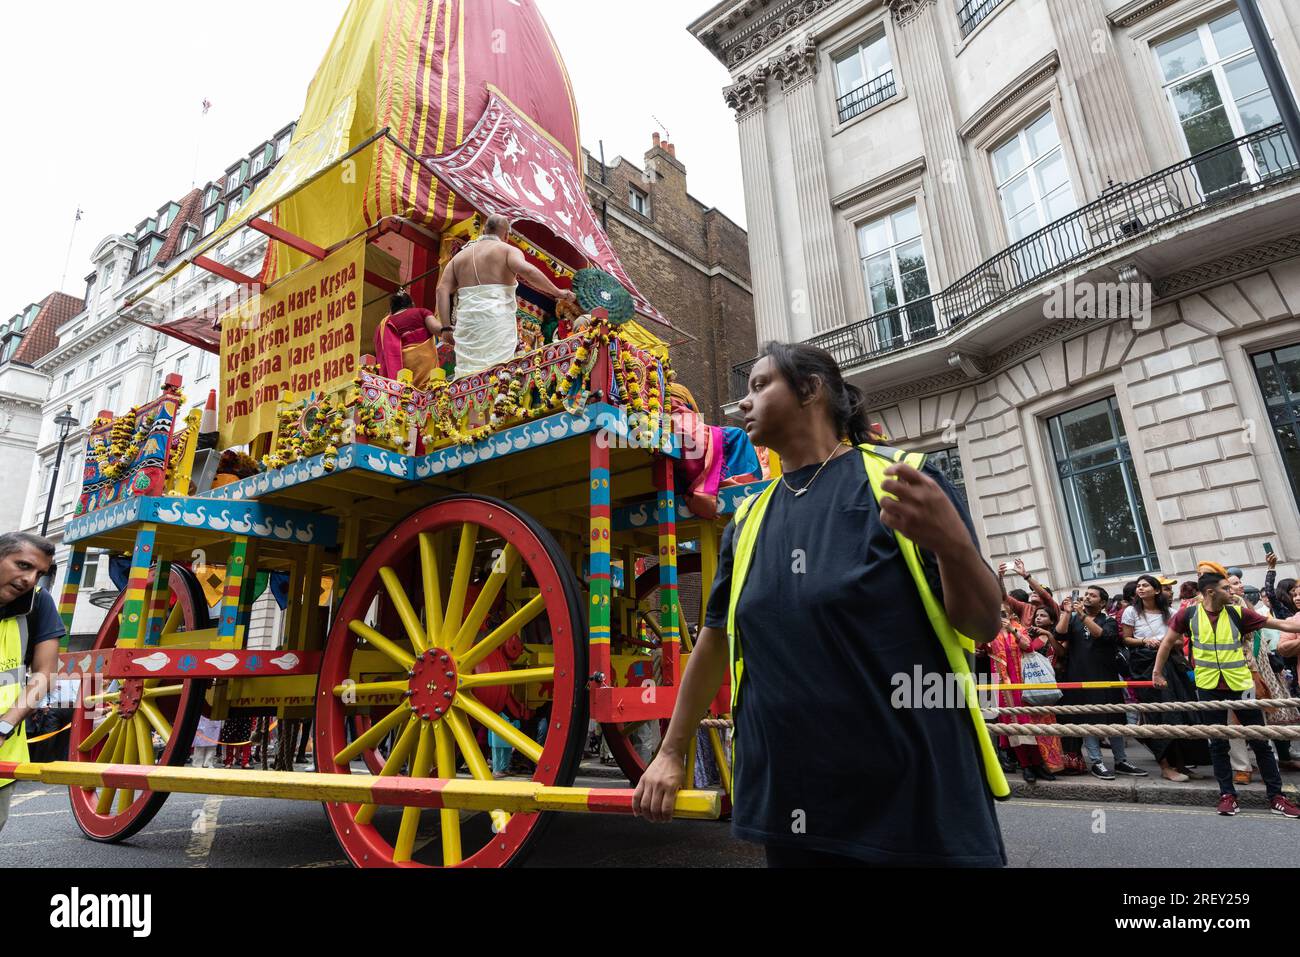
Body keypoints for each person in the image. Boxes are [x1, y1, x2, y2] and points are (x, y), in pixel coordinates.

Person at [632, 342, 1008, 867]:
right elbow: (713, 643)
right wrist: (671, 752)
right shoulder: (748, 519)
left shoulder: (898, 480)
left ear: (812, 389)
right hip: (791, 808)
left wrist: (954, 547)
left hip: (913, 804)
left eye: (760, 385)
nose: (744, 403)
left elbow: (982, 624)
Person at [1151, 563, 1300, 817]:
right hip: (1208, 687)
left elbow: (1281, 625)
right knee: (1218, 744)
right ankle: (1227, 795)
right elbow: (1166, 643)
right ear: (1210, 592)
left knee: (1261, 742)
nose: (1231, 591)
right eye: (1225, 588)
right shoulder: (1188, 615)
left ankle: (1276, 797)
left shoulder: (1238, 613)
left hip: (1242, 685)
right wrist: (1157, 671)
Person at [435, 214, 577, 380]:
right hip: (496, 324)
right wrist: (558, 292)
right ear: (506, 235)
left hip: (468, 329)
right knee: (497, 376)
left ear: (484, 230)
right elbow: (528, 271)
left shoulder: (459, 257)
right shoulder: (507, 250)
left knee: (468, 379)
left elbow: (441, 290)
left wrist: (445, 328)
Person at [0, 532, 63, 836]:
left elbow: (45, 673)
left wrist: (4, 726)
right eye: (22, 565)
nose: (29, 579)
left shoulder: (39, 603)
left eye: (39, 573)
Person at [1121, 574, 1208, 782]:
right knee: (1158, 714)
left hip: (1171, 664)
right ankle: (1165, 766)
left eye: (1146, 585)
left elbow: (1180, 641)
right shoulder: (1131, 611)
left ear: (1157, 590)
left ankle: (1182, 764)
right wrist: (1144, 641)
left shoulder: (1170, 612)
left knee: (1181, 711)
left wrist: (1165, 644)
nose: (1141, 589)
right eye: (1139, 586)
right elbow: (1126, 639)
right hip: (1143, 665)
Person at [1055, 585, 1147, 780]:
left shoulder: (1109, 621)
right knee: (1088, 720)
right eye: (1086, 594)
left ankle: (1121, 760)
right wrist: (1066, 613)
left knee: (1114, 720)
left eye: (1092, 595)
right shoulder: (1073, 620)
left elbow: (1101, 635)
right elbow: (1060, 634)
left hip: (1106, 678)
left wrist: (1082, 615)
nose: (1087, 597)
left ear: (1103, 602)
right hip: (1079, 678)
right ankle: (1097, 762)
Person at [374, 289, 443, 389]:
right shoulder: (421, 312)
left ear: (392, 309)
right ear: (412, 304)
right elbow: (437, 329)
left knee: (406, 397)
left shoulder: (384, 325)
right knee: (429, 393)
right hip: (424, 365)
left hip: (401, 369)